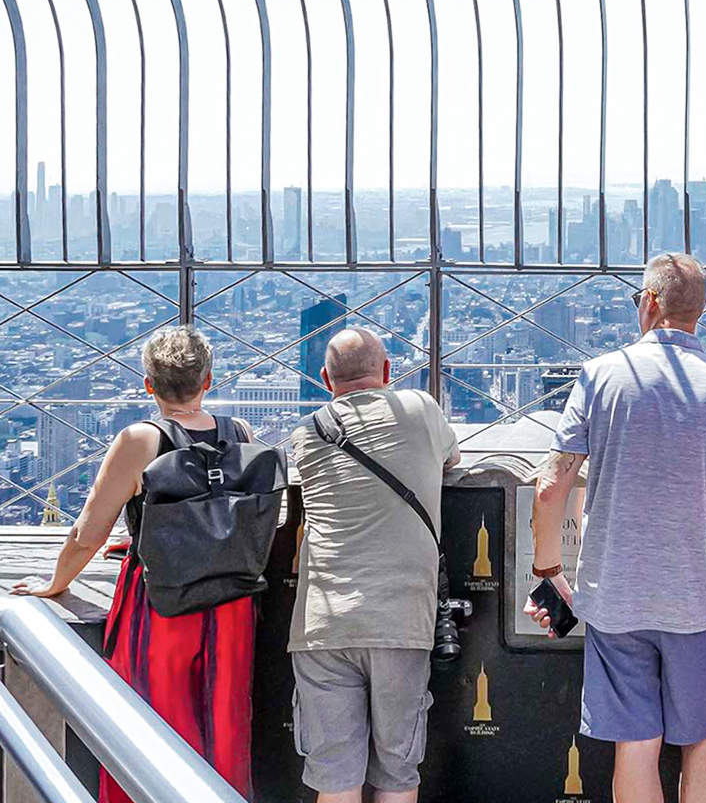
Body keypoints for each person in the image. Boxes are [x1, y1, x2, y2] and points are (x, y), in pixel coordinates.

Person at [525, 252, 706, 803]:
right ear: (699, 312)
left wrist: (547, 569)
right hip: (699, 597)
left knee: (635, 743)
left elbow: (550, 486)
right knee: (702, 738)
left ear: (651, 303)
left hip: (615, 594)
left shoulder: (600, 376)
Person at [12, 326, 258, 803]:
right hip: (231, 603)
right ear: (208, 379)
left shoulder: (140, 440)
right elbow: (221, 516)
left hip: (162, 600)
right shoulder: (239, 433)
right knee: (224, 721)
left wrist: (55, 582)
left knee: (152, 722)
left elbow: (88, 532)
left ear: (149, 385)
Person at [287, 327, 460, 803]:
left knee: (334, 778)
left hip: (324, 624)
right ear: (387, 373)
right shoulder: (421, 409)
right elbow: (452, 459)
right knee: (397, 775)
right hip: (402, 619)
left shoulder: (306, 433)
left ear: (325, 379)